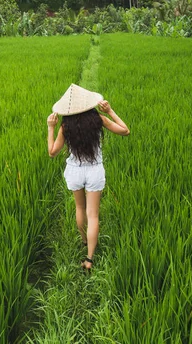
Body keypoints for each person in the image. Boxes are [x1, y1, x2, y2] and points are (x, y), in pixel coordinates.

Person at [46, 84, 129, 271]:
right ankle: (89, 259)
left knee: (79, 208)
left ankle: (84, 241)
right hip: (94, 171)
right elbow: (125, 130)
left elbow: (52, 153)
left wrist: (51, 127)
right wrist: (110, 111)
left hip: (75, 171)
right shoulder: (98, 119)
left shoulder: (65, 127)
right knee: (93, 215)